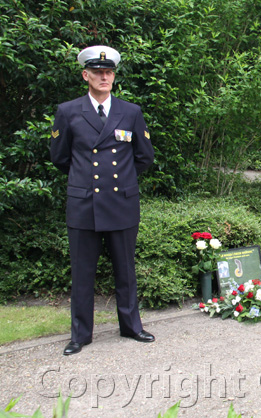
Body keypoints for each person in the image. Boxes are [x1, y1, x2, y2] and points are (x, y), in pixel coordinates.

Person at [49, 45, 156, 355]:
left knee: (126, 269)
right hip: (84, 204)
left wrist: (120, 180)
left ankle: (132, 327)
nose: (104, 77)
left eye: (108, 72)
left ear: (114, 76)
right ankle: (80, 335)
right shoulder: (68, 111)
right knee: (82, 273)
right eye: (97, 72)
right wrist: (85, 179)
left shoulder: (131, 111)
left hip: (121, 201)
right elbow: (60, 157)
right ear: (86, 75)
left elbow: (143, 157)